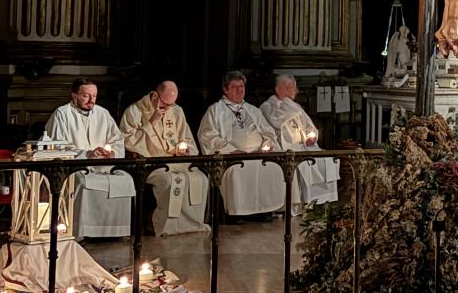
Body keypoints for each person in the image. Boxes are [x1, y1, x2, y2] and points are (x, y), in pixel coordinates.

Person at [45, 78, 135, 240]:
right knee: (83, 181)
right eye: (86, 95)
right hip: (75, 166)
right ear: (74, 96)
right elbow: (57, 147)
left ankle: (116, 231)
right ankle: (82, 231)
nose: (91, 100)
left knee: (126, 180)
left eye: (94, 95)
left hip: (103, 165)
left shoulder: (103, 113)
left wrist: (111, 153)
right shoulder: (62, 114)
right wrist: (87, 154)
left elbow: (117, 140)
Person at [120, 80, 210, 235]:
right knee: (171, 181)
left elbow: (187, 138)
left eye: (171, 105)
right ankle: (163, 226)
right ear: (155, 96)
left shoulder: (176, 110)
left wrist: (186, 149)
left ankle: (192, 224)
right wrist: (150, 123)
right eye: (164, 105)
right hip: (152, 162)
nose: (168, 108)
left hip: (176, 160)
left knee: (200, 178)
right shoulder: (134, 111)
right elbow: (127, 141)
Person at [197, 70, 285, 216]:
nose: (240, 89)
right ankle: (237, 213)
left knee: (274, 168)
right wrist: (231, 150)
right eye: (235, 86)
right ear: (225, 89)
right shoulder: (215, 110)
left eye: (242, 86)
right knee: (237, 171)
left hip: (258, 155)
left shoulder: (253, 110)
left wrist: (267, 145)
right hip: (232, 157)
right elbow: (208, 136)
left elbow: (268, 132)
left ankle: (265, 211)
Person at [260, 75, 339, 212]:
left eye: (293, 87)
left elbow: (310, 126)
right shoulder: (268, 106)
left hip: (304, 145)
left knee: (329, 159)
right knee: (302, 163)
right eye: (290, 87)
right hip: (284, 148)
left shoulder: (294, 106)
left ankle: (319, 202)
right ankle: (301, 203)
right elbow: (275, 122)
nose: (294, 91)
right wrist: (288, 105)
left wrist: (311, 136)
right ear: (278, 89)